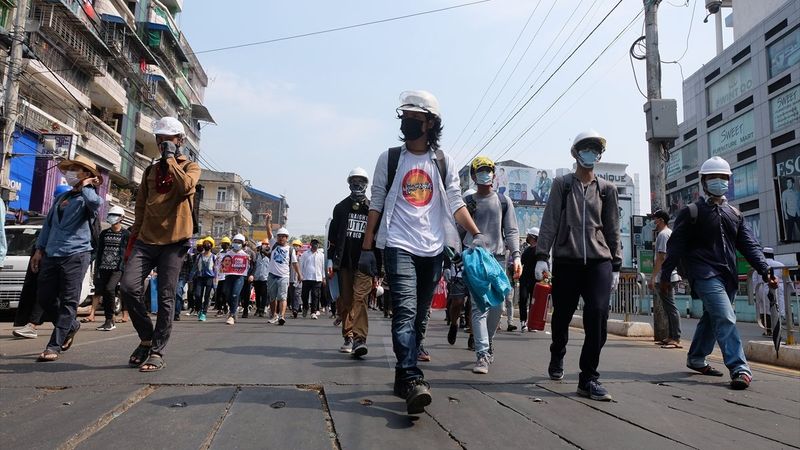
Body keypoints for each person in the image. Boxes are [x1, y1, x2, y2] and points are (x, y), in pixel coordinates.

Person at [359, 90, 483, 414]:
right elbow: (375, 204)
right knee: (404, 312)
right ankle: (413, 377)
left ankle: (403, 376)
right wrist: (367, 247)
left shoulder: (443, 162)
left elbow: (455, 202)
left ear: (430, 123)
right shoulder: (389, 158)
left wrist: (476, 233)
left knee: (419, 318)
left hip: (433, 249)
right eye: (405, 117)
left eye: (414, 118)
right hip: (399, 244)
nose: (407, 122)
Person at [660, 156, 777, 390]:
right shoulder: (691, 212)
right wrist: (665, 276)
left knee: (712, 318)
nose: (719, 182)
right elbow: (676, 247)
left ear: (729, 181)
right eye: (714, 177)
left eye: (723, 178)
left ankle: (695, 358)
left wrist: (765, 270)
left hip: (728, 276)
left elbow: (749, 245)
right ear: (703, 181)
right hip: (703, 274)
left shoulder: (735, 213)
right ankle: (739, 368)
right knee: (724, 315)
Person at [534, 130, 621, 401]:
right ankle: (557, 352)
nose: (590, 154)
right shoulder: (563, 184)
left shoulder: (607, 190)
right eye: (586, 148)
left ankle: (588, 378)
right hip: (567, 260)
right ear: (575, 153)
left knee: (597, 315)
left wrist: (616, 264)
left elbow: (613, 228)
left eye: (595, 149)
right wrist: (541, 256)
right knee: (561, 316)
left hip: (599, 261)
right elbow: (549, 221)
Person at [119, 116, 200, 372]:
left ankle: (157, 351)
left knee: (166, 296)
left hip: (174, 241)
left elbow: (186, 187)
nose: (163, 143)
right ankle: (146, 337)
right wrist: (133, 239)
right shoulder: (150, 171)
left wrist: (170, 160)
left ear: (180, 141)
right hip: (146, 238)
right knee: (129, 287)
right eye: (160, 139)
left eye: (169, 140)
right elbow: (141, 205)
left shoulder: (190, 167)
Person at [30, 155, 103, 362]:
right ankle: (71, 326)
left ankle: (54, 345)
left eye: (76, 169)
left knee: (69, 301)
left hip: (76, 254)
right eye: (70, 169)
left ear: (87, 174)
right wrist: (39, 249)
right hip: (52, 253)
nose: (71, 172)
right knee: (44, 297)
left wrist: (88, 185)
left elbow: (95, 203)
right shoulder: (62, 198)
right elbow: (48, 226)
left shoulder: (88, 198)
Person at [461, 156, 521, 374]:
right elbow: (458, 231)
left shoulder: (504, 201)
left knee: (498, 307)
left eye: (489, 170)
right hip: (475, 259)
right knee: (479, 307)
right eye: (481, 170)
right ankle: (482, 354)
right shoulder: (468, 203)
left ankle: (488, 341)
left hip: (497, 259)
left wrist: (516, 256)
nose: (485, 173)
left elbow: (512, 230)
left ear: (494, 174)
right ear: (474, 176)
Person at [327, 167, 373, 356]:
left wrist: (380, 269)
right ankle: (348, 336)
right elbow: (332, 237)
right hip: (344, 262)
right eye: (353, 180)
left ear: (366, 184)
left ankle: (359, 339)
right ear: (348, 183)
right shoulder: (340, 208)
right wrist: (330, 260)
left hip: (364, 263)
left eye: (361, 180)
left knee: (360, 298)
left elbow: (379, 239)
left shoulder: (372, 208)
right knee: (346, 301)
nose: (357, 184)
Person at [93, 206, 130, 331]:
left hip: (117, 268)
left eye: (115, 214)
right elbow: (99, 251)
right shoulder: (104, 233)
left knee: (110, 289)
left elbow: (129, 252)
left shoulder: (126, 234)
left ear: (122, 218)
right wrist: (97, 268)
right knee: (104, 292)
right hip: (103, 267)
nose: (112, 217)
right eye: (111, 214)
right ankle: (108, 320)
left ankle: (113, 317)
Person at [648, 210, 682, 348]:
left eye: (655, 219)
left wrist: (653, 277)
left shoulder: (663, 235)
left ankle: (675, 337)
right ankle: (671, 336)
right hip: (670, 274)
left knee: (671, 307)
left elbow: (661, 258)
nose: (653, 222)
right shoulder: (668, 233)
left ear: (661, 220)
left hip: (666, 276)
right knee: (668, 308)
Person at [267, 228, 301, 325]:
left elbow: (295, 263)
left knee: (282, 297)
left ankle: (282, 316)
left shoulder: (290, 249)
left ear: (287, 238)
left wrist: (299, 274)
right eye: (279, 236)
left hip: (284, 276)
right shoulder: (273, 244)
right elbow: (269, 233)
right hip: (272, 275)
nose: (281, 238)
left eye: (283, 236)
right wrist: (267, 221)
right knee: (272, 297)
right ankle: (274, 315)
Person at [750, 247, 785, 337]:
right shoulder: (780, 264)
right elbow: (786, 278)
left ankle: (768, 330)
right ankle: (777, 329)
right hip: (777, 287)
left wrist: (755, 292)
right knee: (776, 307)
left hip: (761, 288)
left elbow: (754, 280)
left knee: (763, 309)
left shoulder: (759, 265)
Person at [221, 234, 251, 325]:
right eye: (235, 242)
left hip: (239, 277)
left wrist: (249, 261)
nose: (237, 244)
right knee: (227, 293)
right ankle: (233, 308)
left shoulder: (245, 255)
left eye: (239, 242)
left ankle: (232, 314)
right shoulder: (228, 254)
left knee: (235, 294)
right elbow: (222, 265)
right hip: (229, 276)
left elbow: (250, 266)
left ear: (243, 244)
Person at [518, 227, 539, 332]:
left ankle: (532, 323)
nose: (527, 237)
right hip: (525, 279)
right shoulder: (526, 250)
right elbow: (521, 262)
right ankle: (523, 322)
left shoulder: (540, 251)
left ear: (533, 237)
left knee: (533, 302)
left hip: (536, 280)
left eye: (528, 236)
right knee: (523, 299)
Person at [193, 237, 216, 322]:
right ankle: (199, 309)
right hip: (200, 277)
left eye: (208, 244)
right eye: (205, 243)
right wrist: (191, 277)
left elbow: (216, 269)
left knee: (207, 296)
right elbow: (195, 267)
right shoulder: (199, 256)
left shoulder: (214, 257)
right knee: (198, 295)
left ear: (211, 246)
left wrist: (216, 280)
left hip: (209, 278)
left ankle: (204, 313)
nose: (207, 245)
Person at [253, 238, 271, 317]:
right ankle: (257, 308)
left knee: (264, 294)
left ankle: (262, 309)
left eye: (266, 244)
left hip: (265, 278)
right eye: (264, 244)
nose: (265, 246)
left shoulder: (270, 256)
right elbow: (253, 266)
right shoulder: (257, 255)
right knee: (257, 294)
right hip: (257, 278)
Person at [214, 236, 232, 316]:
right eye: (223, 244)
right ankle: (220, 308)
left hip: (227, 277)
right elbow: (216, 265)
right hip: (220, 277)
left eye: (226, 244)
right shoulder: (219, 254)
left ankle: (225, 305)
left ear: (228, 245)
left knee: (225, 293)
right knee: (219, 293)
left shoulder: (230, 254)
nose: (224, 245)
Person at [289, 239, 303, 317]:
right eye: (294, 245)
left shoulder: (302, 257)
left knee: (297, 294)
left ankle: (295, 310)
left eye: (297, 246)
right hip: (291, 278)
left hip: (299, 279)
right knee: (292, 295)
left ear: (300, 247)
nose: (295, 247)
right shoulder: (290, 257)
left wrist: (301, 276)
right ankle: (293, 309)